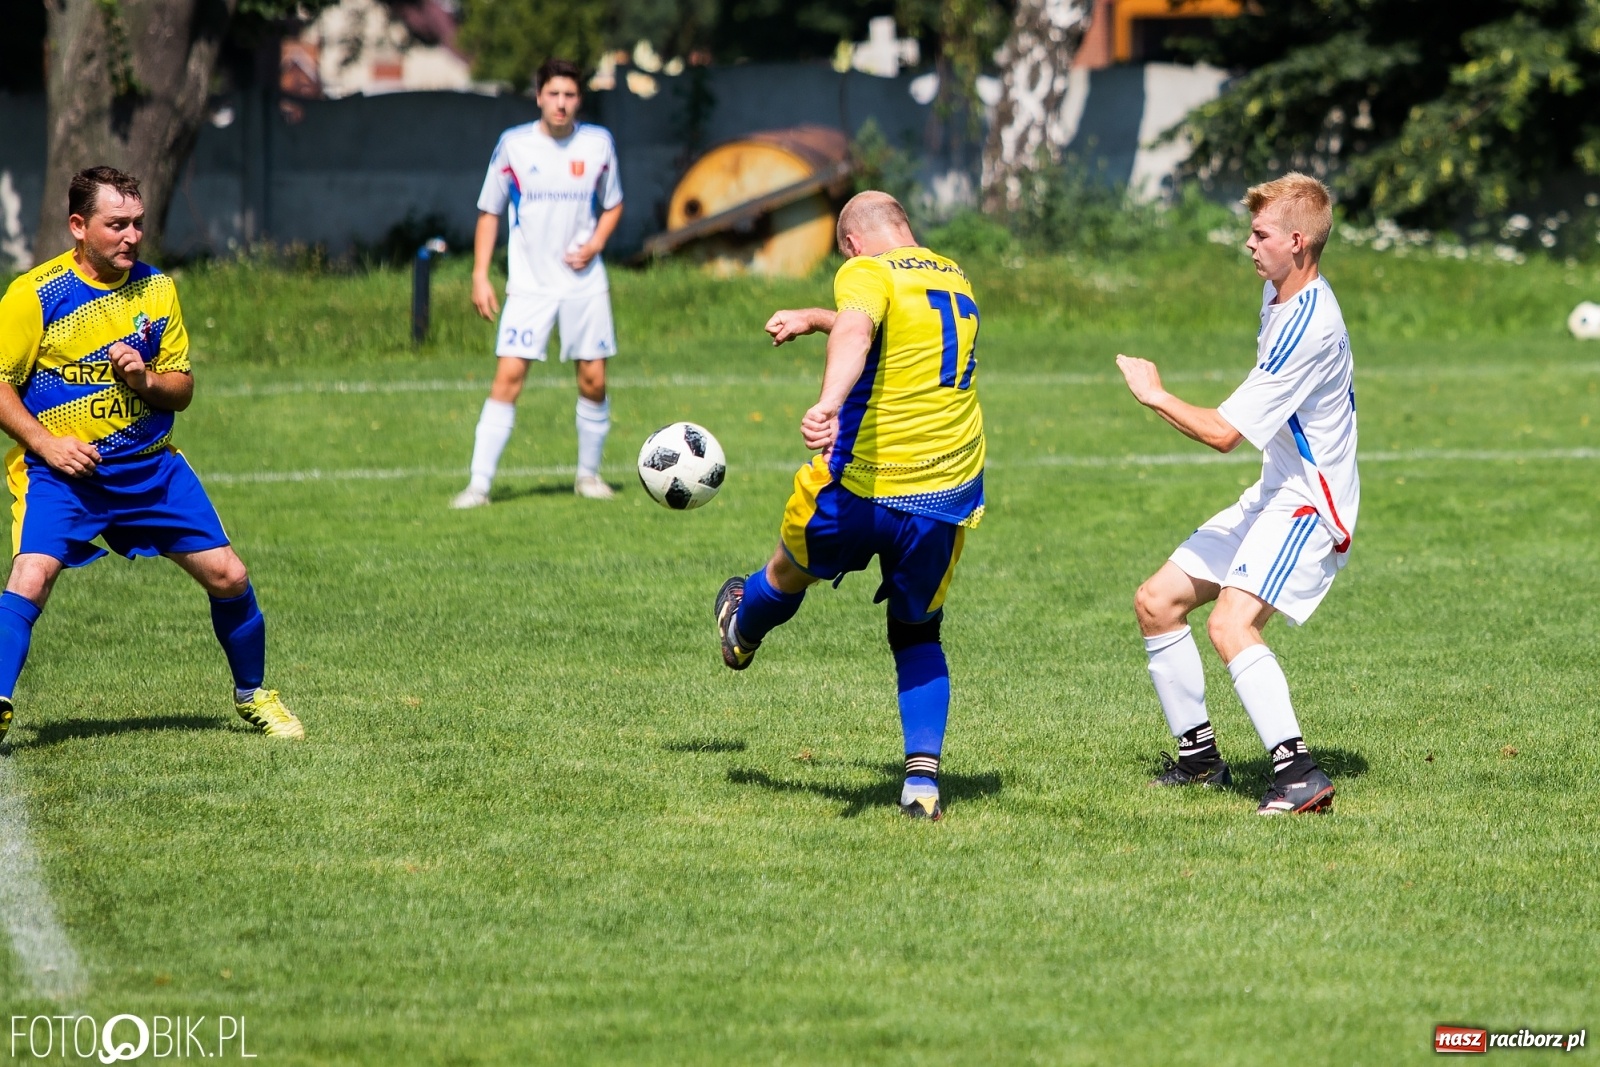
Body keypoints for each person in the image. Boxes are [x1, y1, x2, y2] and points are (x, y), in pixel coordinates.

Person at [0, 166, 303, 743]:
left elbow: (182, 388)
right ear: (78, 226)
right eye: (117, 225)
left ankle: (253, 695)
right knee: (30, 576)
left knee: (229, 575)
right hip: (64, 475)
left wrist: (145, 381)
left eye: (137, 223)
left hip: (151, 470)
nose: (132, 236)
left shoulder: (156, 289)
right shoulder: (35, 295)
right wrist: (44, 443)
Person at [714, 191, 985, 821]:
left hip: (861, 484)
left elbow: (861, 326)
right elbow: (882, 327)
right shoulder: (953, 276)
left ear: (849, 244)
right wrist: (815, 316)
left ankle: (741, 630)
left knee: (786, 569)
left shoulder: (864, 271)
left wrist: (830, 400)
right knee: (918, 633)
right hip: (944, 492)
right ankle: (921, 787)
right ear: (905, 228)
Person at [1116, 172, 1357, 816]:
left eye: (1261, 234)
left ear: (1298, 241)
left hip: (1310, 503)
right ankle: (1199, 765)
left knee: (1230, 623)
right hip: (1273, 491)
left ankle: (1301, 776)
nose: (1248, 244)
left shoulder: (1310, 322)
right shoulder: (1278, 294)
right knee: (1157, 601)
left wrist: (1155, 395)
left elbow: (1225, 433)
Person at [452, 57, 625, 507]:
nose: (561, 104)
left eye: (569, 95)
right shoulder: (513, 146)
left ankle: (588, 477)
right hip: (529, 285)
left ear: (579, 99)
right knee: (507, 377)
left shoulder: (598, 145)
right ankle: (479, 485)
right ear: (539, 96)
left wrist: (595, 244)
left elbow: (613, 205)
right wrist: (480, 274)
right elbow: (489, 212)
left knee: (593, 381)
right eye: (554, 94)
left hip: (584, 284)